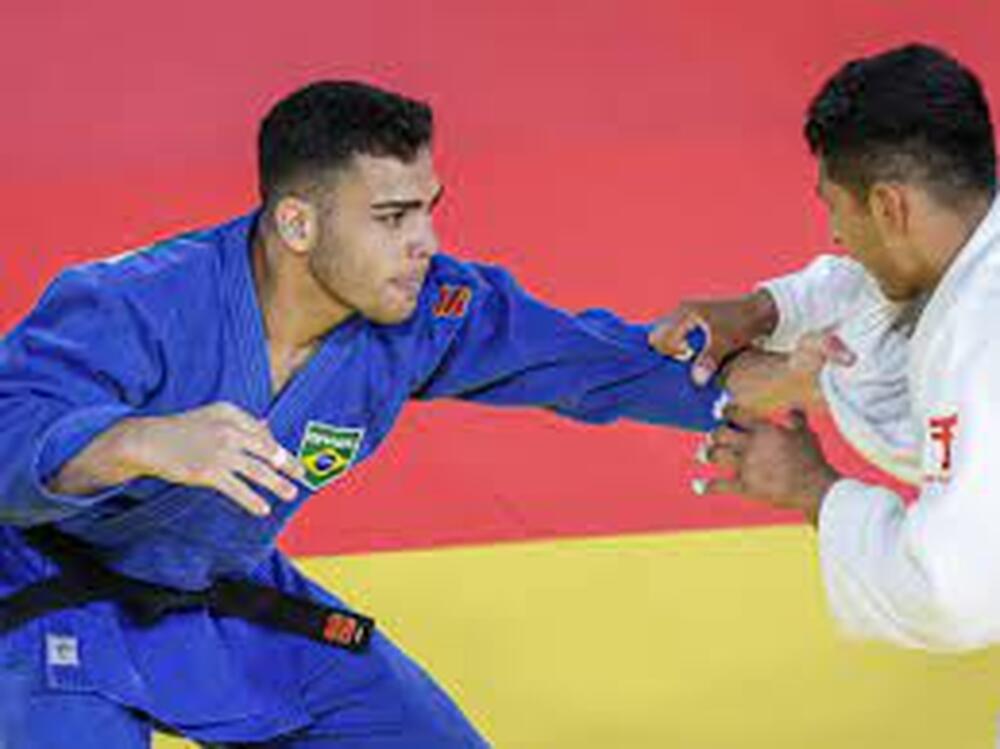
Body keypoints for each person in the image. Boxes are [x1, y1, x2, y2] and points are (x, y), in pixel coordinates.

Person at [0, 80, 726, 747]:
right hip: (41, 594)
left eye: (427, 210)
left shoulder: (418, 311)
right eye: (391, 217)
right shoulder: (133, 301)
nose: (426, 244)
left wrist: (748, 380)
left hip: (217, 595)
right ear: (298, 223)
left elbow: (585, 357)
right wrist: (137, 440)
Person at [650, 43, 1000, 652]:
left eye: (836, 210)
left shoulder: (978, 343)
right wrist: (767, 309)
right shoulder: (968, 250)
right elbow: (876, 288)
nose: (837, 236)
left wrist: (812, 488)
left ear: (889, 205)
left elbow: (951, 595)